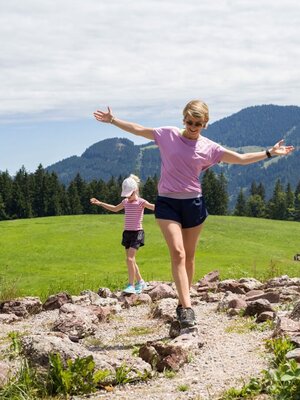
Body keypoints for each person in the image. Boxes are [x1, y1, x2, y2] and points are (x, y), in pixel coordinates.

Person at [93, 100, 294, 329]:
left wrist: (269, 152)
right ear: (183, 119)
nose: (193, 126)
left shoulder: (209, 147)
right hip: (167, 203)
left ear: (205, 123)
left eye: (198, 123)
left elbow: (239, 159)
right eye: (189, 122)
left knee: (189, 257)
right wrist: (113, 120)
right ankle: (187, 309)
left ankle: (183, 301)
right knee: (177, 253)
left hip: (193, 204)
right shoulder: (167, 134)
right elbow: (139, 129)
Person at [90, 174, 155, 294]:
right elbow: (115, 208)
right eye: (126, 194)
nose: (128, 196)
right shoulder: (125, 202)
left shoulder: (141, 202)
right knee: (131, 260)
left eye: (130, 194)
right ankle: (140, 282)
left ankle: (131, 285)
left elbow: (154, 207)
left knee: (130, 259)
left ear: (135, 190)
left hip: (137, 233)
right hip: (127, 233)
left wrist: (169, 205)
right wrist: (100, 203)